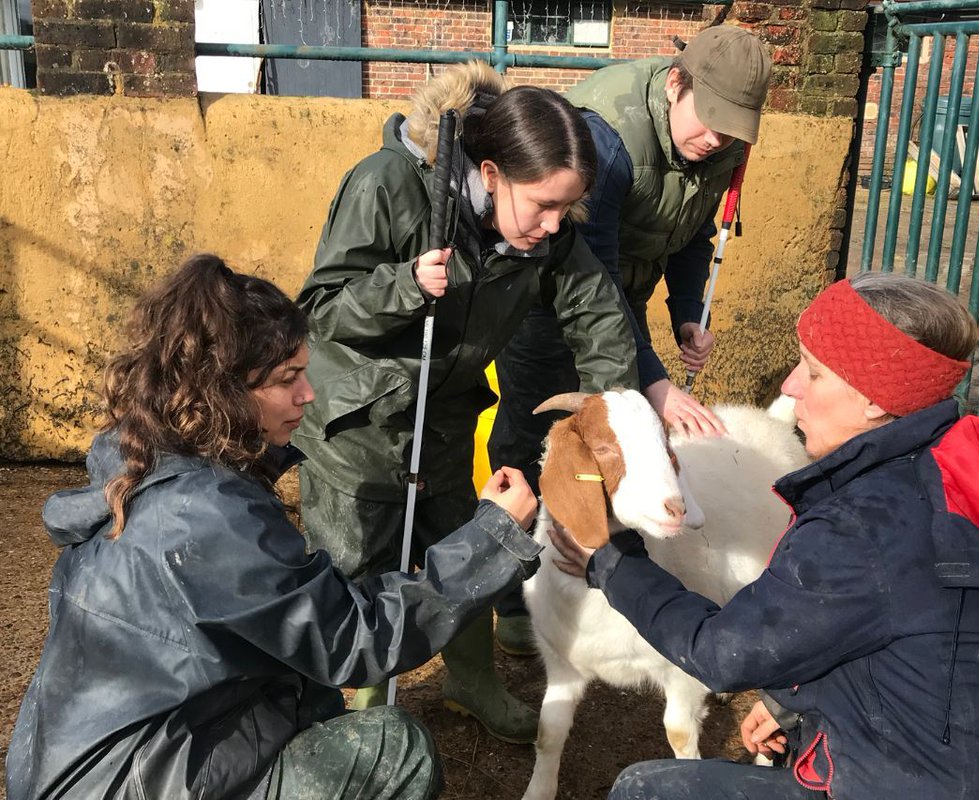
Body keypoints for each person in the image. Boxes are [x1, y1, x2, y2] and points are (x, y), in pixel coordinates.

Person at [6, 254, 543, 800]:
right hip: (133, 782)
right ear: (223, 389)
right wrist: (491, 539)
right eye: (289, 378)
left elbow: (296, 619)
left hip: (78, 761)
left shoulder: (140, 458)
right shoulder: (205, 512)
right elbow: (354, 640)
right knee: (391, 747)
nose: (309, 394)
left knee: (308, 690)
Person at [550, 272, 979, 799]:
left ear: (875, 399)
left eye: (812, 374)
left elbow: (722, 655)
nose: (789, 387)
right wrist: (794, 699)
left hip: (912, 785)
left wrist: (610, 561)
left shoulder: (863, 525)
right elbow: (907, 635)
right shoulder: (955, 469)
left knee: (646, 789)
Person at [292, 62, 638, 742]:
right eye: (543, 204)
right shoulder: (386, 185)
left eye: (566, 208)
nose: (553, 223)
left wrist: (609, 411)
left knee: (476, 544)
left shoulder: (544, 233)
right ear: (489, 172)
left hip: (445, 426)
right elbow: (321, 310)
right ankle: (358, 706)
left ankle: (470, 678)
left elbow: (598, 313)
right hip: (357, 430)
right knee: (355, 570)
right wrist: (403, 286)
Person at [488, 25, 772, 502]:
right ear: (675, 84)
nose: (715, 138)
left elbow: (696, 231)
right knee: (536, 425)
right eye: (710, 117)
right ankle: (511, 544)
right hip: (548, 295)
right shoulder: (609, 139)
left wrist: (686, 311)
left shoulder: (723, 146)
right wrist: (655, 380)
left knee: (613, 429)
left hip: (623, 294)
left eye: (732, 127)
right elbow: (595, 274)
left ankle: (591, 548)